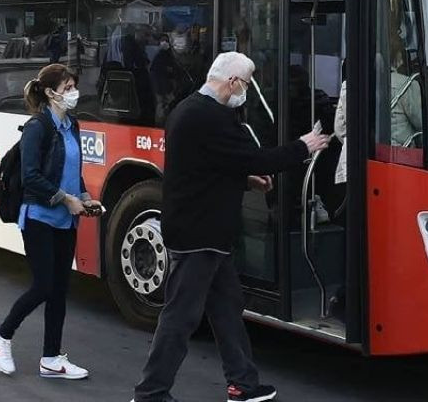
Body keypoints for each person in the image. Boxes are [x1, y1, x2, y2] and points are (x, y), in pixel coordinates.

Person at [132, 52, 329, 402]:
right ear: (233, 82)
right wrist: (304, 146)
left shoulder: (189, 109)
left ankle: (243, 384)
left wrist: (247, 180)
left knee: (226, 310)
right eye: (248, 84)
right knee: (180, 317)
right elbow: (254, 157)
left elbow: (207, 168)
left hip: (206, 234)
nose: (248, 92)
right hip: (200, 236)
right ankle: (150, 393)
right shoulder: (212, 117)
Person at [0, 64, 102, 380]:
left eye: (74, 86)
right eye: (67, 88)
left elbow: (72, 169)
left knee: (59, 290)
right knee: (43, 285)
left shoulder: (72, 125)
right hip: (39, 216)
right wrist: (67, 199)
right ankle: (1, 337)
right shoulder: (38, 127)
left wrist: (83, 195)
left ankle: (52, 358)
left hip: (66, 221)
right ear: (51, 93)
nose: (74, 93)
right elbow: (31, 177)